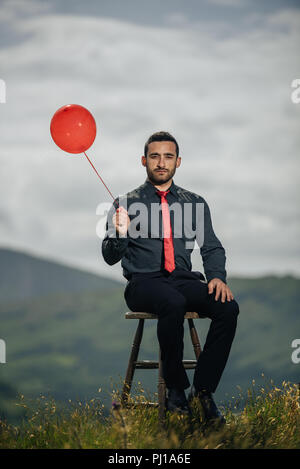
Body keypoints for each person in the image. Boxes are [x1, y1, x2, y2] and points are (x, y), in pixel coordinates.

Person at [102, 131, 239, 425]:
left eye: (167, 156)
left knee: (228, 307)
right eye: (154, 156)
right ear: (144, 161)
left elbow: (212, 245)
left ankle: (202, 393)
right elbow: (109, 256)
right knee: (172, 302)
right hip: (143, 282)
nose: (161, 163)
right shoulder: (124, 203)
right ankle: (175, 389)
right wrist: (120, 232)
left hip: (182, 278)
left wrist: (216, 276)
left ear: (178, 161)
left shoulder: (195, 202)